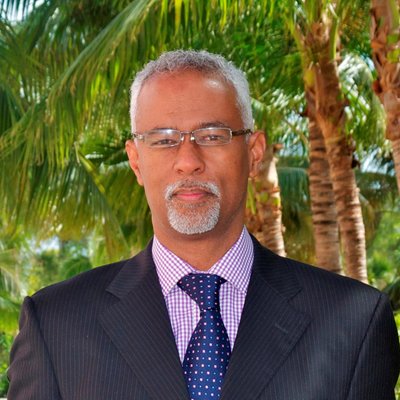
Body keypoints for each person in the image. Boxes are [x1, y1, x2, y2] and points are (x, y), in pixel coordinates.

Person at [8, 50, 400, 400]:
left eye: (212, 136)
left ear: (254, 152)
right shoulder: (56, 325)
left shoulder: (353, 322)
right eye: (164, 140)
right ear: (136, 161)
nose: (188, 161)